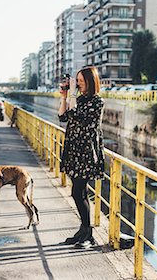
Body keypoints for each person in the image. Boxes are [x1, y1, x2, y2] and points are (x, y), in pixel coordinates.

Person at [58, 66, 105, 249]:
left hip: (86, 152)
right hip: (74, 150)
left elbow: (79, 117)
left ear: (90, 82)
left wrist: (70, 99)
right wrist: (64, 97)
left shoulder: (97, 102)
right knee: (80, 192)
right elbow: (63, 117)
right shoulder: (79, 99)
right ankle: (84, 232)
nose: (78, 84)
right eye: (77, 81)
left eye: (81, 81)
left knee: (77, 192)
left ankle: (88, 234)